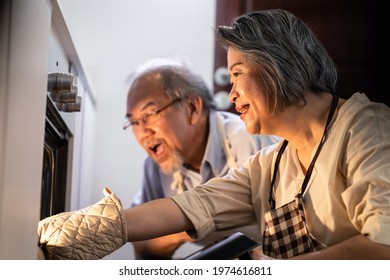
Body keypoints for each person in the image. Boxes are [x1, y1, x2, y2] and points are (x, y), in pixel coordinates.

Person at [38, 9, 390, 260]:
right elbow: (195, 204)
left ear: (279, 66)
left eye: (238, 73)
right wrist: (92, 227)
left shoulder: (365, 128)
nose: (232, 93)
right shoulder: (273, 162)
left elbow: (384, 247)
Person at [123, 59, 279, 259]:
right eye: (133, 122)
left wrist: (174, 221)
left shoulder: (246, 138)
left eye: (149, 115)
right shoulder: (157, 167)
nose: (142, 132)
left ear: (192, 108)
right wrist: (183, 228)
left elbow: (287, 233)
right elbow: (144, 250)